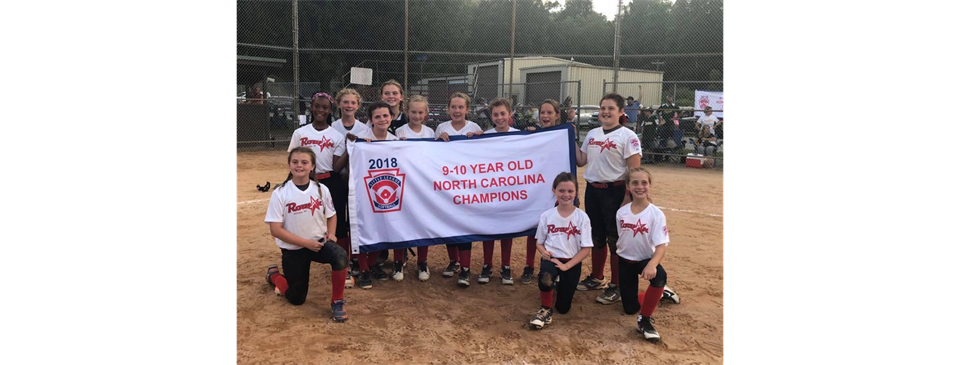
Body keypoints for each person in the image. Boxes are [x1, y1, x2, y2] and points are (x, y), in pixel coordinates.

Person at [264, 147, 349, 322]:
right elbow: (275, 230)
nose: (299, 166)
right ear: (289, 165)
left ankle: (337, 301)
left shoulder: (321, 189)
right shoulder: (280, 192)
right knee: (296, 298)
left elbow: (332, 214)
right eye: (295, 162)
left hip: (317, 244)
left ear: (312, 167)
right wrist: (305, 243)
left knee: (340, 255)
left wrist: (331, 233)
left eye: (304, 162)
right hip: (294, 249)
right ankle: (274, 276)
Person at [574, 93, 642, 306]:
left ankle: (617, 284)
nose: (605, 111)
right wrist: (569, 137)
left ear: (621, 112)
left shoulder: (627, 136)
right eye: (603, 107)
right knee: (596, 236)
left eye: (611, 108)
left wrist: (627, 198)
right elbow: (581, 161)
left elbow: (635, 170)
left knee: (615, 239)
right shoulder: (593, 133)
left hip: (615, 191)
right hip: (593, 190)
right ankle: (597, 277)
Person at [286, 92, 353, 289]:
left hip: (330, 181)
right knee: (304, 217)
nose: (321, 110)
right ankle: (300, 254)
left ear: (331, 110)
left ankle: (344, 263)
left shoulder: (336, 135)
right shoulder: (301, 133)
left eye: (325, 107)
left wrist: (349, 149)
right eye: (317, 106)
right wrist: (293, 181)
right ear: (311, 107)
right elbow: (292, 159)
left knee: (339, 221)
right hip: (306, 180)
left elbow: (337, 166)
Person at [616, 167, 681, 342]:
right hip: (624, 261)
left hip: (644, 260)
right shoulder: (621, 212)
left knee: (660, 275)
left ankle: (644, 319)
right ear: (628, 187)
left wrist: (652, 264)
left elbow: (660, 246)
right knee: (629, 308)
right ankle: (660, 293)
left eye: (644, 182)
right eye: (635, 182)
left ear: (649, 185)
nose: (640, 186)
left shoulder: (656, 214)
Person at [528, 172, 593, 330]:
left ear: (576, 192)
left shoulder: (582, 217)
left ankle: (559, 283)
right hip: (552, 259)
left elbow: (586, 249)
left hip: (571, 262)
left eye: (570, 191)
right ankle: (545, 309)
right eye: (561, 191)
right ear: (554, 191)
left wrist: (567, 266)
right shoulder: (547, 216)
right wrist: (543, 252)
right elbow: (540, 243)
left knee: (563, 309)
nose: (566, 195)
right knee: (545, 278)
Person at [434, 92, 484, 286]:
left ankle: (465, 268)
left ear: (467, 110)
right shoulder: (441, 127)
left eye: (460, 107)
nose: (457, 110)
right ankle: (453, 261)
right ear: (448, 109)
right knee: (449, 223)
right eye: (453, 107)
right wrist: (439, 138)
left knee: (464, 224)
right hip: (447, 183)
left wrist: (480, 138)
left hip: (467, 184)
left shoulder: (474, 127)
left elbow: (482, 153)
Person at [478, 97, 520, 285]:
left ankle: (506, 266)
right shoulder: (486, 135)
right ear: (491, 116)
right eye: (496, 114)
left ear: (510, 114)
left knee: (507, 229)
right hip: (490, 190)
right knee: (489, 228)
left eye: (503, 113)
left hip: (510, 191)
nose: (499, 117)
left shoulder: (520, 135)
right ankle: (487, 265)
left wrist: (535, 134)